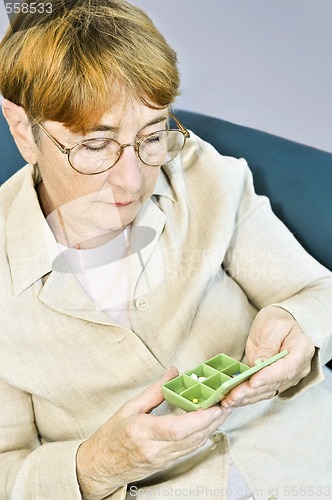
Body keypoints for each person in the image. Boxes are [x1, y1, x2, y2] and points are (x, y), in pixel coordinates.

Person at [0, 1, 332, 499]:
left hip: (305, 457)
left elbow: (316, 289)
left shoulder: (200, 171)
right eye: (95, 145)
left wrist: (298, 324)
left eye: (152, 136)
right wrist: (99, 465)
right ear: (24, 129)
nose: (133, 181)